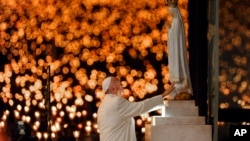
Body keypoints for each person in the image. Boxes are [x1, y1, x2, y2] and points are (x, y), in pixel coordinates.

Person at [97, 76, 175, 141]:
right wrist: (163, 95)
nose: (122, 87)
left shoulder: (103, 105)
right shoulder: (116, 102)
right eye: (120, 84)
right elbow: (141, 107)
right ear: (113, 88)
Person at [167, 0, 193, 99]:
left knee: (179, 66)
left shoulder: (177, 21)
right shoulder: (174, 21)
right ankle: (176, 87)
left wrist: (170, 31)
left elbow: (176, 37)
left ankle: (181, 86)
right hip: (173, 50)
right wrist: (169, 30)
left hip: (177, 50)